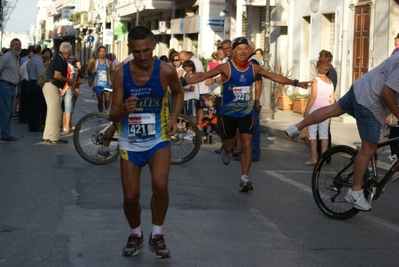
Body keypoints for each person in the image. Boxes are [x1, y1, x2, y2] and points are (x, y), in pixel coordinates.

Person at [185, 37, 310, 192]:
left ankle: (245, 177)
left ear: (249, 51)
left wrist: (296, 83)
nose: (243, 52)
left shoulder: (254, 67)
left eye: (246, 48)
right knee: (230, 145)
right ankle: (227, 149)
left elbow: (274, 76)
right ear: (234, 51)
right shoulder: (226, 67)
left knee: (246, 143)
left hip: (247, 112)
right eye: (239, 49)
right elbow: (204, 76)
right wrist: (184, 81)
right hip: (228, 114)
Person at [285, 51, 399, 211]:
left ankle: (298, 126)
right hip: (369, 101)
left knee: (332, 109)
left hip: (360, 87)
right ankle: (355, 191)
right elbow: (387, 92)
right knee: (369, 148)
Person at [109, 26, 184, 258]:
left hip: (158, 140)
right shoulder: (121, 74)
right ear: (130, 48)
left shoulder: (167, 71)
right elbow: (113, 115)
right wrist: (123, 109)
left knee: (160, 186)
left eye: (146, 51)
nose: (142, 57)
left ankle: (157, 235)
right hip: (129, 142)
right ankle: (135, 233)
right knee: (130, 196)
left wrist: (174, 118)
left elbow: (179, 93)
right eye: (137, 52)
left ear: (153, 46)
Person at [302, 58, 335, 165]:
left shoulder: (316, 80)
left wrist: (306, 111)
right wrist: (331, 115)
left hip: (315, 110)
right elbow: (332, 100)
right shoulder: (330, 83)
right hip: (326, 111)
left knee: (312, 134)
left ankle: (313, 159)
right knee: (324, 134)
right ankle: (323, 159)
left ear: (317, 68)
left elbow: (313, 97)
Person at [42, 42, 74, 144]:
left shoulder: (58, 58)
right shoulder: (60, 60)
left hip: (48, 85)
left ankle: (48, 135)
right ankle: (55, 137)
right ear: (68, 51)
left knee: (51, 112)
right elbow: (56, 75)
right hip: (52, 85)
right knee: (56, 111)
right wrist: (68, 80)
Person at [316, 50, 338, 158]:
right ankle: (323, 154)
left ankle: (325, 155)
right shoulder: (330, 71)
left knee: (324, 131)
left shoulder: (330, 72)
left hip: (325, 104)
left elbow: (330, 91)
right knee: (323, 131)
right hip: (325, 104)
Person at [0, 38, 22, 142]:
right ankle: (5, 134)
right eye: (15, 44)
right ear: (11, 46)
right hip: (5, 86)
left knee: (9, 111)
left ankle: (6, 133)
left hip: (12, 87)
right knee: (6, 112)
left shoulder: (16, 57)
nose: (18, 46)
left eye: (19, 45)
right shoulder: (7, 57)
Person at [88, 46, 113, 115]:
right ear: (98, 53)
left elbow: (111, 72)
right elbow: (89, 71)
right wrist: (92, 71)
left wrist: (111, 81)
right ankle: (100, 113)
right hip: (98, 85)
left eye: (103, 51)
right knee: (100, 101)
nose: (102, 53)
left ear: (106, 53)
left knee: (107, 100)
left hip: (107, 84)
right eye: (100, 51)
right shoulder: (95, 62)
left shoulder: (109, 62)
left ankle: (107, 110)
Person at [27, 45, 46, 132]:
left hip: (30, 83)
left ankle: (31, 124)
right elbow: (41, 75)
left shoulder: (30, 61)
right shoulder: (38, 61)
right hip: (37, 84)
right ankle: (34, 126)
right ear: (40, 51)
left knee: (31, 105)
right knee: (36, 106)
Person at [181, 60, 199, 140]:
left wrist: (183, 89)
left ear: (191, 67)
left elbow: (192, 88)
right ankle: (189, 131)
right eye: (184, 66)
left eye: (187, 66)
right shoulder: (185, 75)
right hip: (186, 97)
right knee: (188, 115)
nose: (185, 68)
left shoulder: (193, 76)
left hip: (192, 97)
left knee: (192, 115)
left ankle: (193, 132)